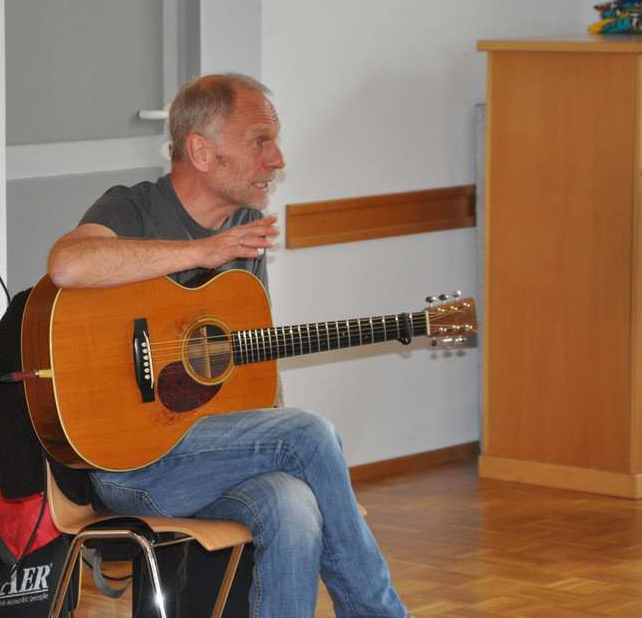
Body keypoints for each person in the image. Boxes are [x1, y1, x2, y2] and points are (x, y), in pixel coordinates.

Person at [43, 73, 411, 618]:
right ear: (200, 151)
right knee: (310, 434)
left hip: (209, 457)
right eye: (260, 142)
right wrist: (202, 252)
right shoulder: (133, 209)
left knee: (295, 503)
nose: (277, 159)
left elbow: (256, 360)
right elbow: (67, 265)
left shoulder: (245, 226)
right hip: (132, 466)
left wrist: (312, 468)